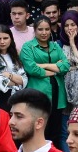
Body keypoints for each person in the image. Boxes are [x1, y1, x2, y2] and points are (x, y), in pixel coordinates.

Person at [19, 16, 69, 145]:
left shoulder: (55, 45)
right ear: (34, 30)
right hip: (38, 94)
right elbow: (32, 69)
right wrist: (55, 68)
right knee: (40, 130)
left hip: (58, 94)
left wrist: (44, 65)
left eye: (47, 29)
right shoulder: (28, 47)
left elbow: (66, 66)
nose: (44, 32)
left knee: (56, 132)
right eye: (40, 29)